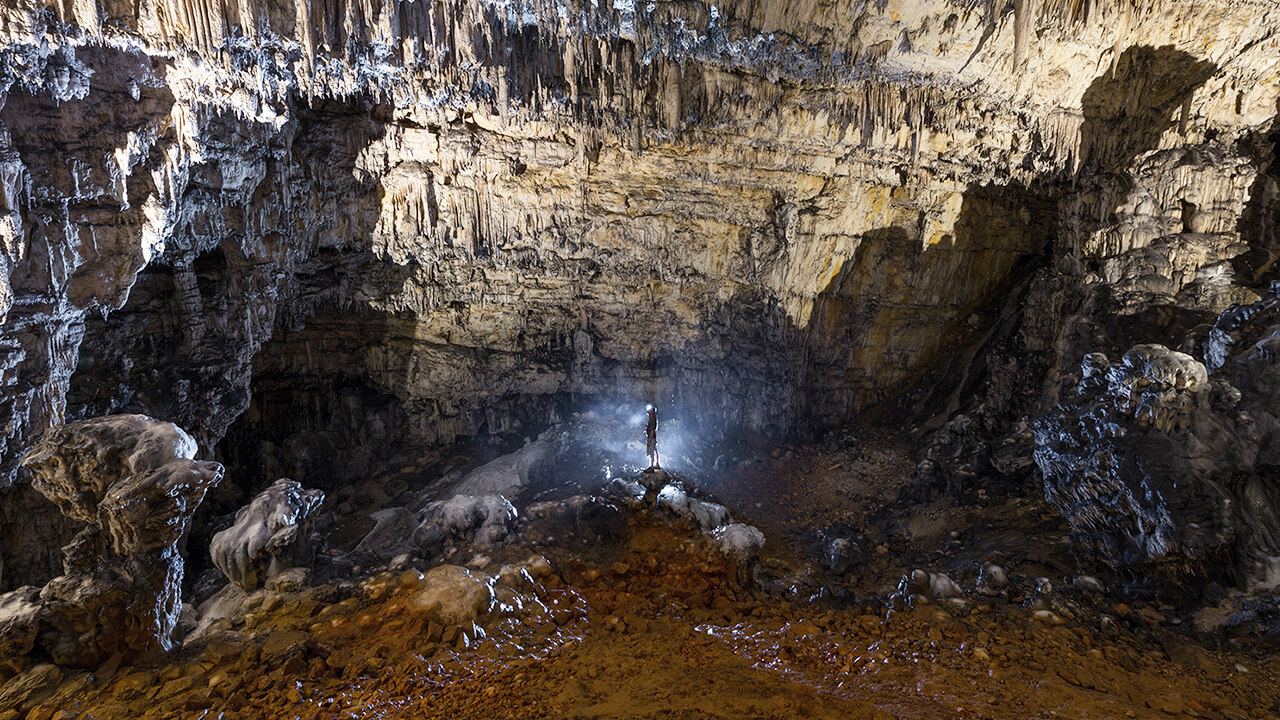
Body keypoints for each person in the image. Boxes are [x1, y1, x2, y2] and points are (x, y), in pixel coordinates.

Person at [644, 404, 660, 471]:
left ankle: (652, 466)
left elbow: (652, 430)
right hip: (652, 437)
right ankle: (656, 464)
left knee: (651, 452)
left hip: (652, 437)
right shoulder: (652, 418)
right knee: (655, 450)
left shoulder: (653, 419)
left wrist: (649, 440)